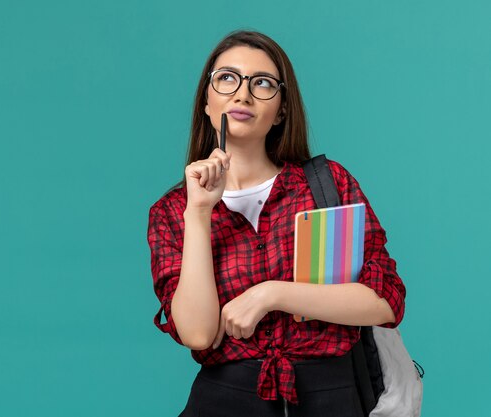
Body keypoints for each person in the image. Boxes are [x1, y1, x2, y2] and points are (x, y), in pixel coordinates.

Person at [147, 30, 405, 417]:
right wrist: (199, 212)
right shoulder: (172, 212)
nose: (243, 94)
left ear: (282, 109)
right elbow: (197, 333)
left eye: (263, 83)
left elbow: (386, 300)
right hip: (226, 400)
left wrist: (270, 295)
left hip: (332, 398)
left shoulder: (327, 184)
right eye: (227, 78)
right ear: (206, 100)